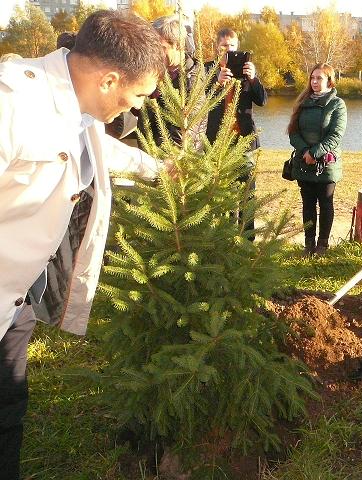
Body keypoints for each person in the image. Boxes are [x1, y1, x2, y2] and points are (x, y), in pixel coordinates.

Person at [0, 10, 167, 478]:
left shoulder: (78, 105)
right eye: (137, 96)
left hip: (15, 300)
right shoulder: (11, 102)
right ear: (110, 78)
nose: (135, 109)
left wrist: (160, 169)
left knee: (9, 405)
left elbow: (100, 148)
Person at [205, 28, 266, 239]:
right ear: (217, 47)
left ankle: (247, 238)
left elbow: (262, 100)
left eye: (231, 46)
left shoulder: (247, 72)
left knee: (248, 191)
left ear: (237, 47)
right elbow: (199, 100)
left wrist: (254, 78)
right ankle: (226, 237)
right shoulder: (208, 70)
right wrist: (217, 82)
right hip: (218, 142)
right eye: (223, 46)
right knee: (224, 193)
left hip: (245, 141)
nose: (227, 50)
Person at [287, 63, 347, 255]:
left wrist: (315, 153)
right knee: (307, 204)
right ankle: (308, 244)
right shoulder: (302, 102)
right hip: (304, 164)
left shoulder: (337, 104)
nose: (314, 82)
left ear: (329, 81)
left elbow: (336, 135)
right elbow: (293, 132)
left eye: (319, 78)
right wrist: (305, 151)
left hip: (327, 164)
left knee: (326, 203)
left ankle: (322, 245)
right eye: (312, 78)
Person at [150, 15, 205, 148]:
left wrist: (168, 161)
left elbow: (186, 129)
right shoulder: (156, 70)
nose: (155, 53)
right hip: (151, 152)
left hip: (180, 159)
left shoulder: (192, 77)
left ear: (178, 45)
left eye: (161, 48)